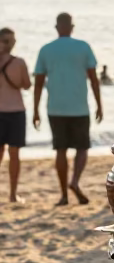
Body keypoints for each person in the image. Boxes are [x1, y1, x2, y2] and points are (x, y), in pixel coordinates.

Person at [33, 12, 103, 206]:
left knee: (60, 150)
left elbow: (38, 83)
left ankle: (63, 194)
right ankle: (75, 181)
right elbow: (94, 79)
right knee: (82, 148)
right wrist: (99, 104)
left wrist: (35, 110)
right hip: (79, 107)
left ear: (56, 28)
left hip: (55, 108)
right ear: (72, 27)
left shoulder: (46, 49)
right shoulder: (83, 47)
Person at [0, 28, 31, 203]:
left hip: (13, 112)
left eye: (12, 40)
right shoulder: (18, 62)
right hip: (15, 111)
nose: (10, 44)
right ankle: (12, 194)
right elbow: (26, 84)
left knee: (13, 154)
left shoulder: (18, 62)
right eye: (6, 41)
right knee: (13, 154)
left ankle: (13, 193)